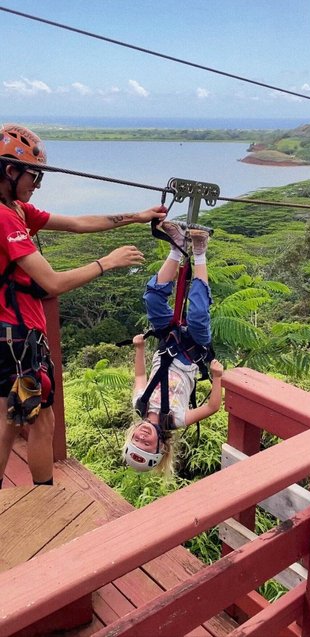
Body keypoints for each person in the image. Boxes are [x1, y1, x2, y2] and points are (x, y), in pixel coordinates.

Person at [0, 123, 166, 489]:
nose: (36, 185)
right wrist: (108, 262)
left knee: (11, 420)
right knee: (37, 422)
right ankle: (44, 498)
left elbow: (76, 222)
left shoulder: (16, 209)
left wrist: (136, 217)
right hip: (15, 339)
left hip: (15, 334)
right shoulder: (4, 218)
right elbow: (53, 283)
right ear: (10, 171)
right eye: (34, 176)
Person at [123, 220, 223, 475]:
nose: (142, 437)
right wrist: (217, 377)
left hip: (168, 341)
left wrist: (138, 349)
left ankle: (177, 247)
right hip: (192, 350)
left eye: (136, 439)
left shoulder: (140, 404)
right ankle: (199, 252)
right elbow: (212, 408)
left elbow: (139, 376)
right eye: (147, 444)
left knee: (153, 299)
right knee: (199, 314)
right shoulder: (175, 419)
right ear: (161, 446)